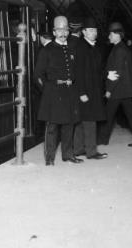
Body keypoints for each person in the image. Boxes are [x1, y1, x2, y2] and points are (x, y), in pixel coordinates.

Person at [34, 16, 81, 165]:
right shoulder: (47, 50)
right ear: (54, 32)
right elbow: (38, 75)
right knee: (52, 127)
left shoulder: (72, 48)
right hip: (53, 93)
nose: (63, 33)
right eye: (59, 30)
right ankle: (49, 158)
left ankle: (68, 155)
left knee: (69, 124)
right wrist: (48, 91)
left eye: (65, 30)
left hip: (69, 92)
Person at [99, 22, 132, 147]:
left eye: (110, 34)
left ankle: (102, 139)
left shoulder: (119, 50)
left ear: (116, 35)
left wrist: (109, 90)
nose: (108, 36)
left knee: (108, 114)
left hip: (118, 90)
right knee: (131, 115)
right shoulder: (120, 47)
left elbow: (116, 72)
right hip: (125, 90)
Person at [73, 17, 108, 159]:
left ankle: (78, 149)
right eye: (91, 30)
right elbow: (78, 71)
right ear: (84, 32)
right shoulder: (81, 48)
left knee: (83, 120)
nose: (94, 33)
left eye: (96, 30)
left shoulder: (94, 47)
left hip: (94, 89)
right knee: (89, 120)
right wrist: (81, 92)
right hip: (86, 91)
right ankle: (91, 152)